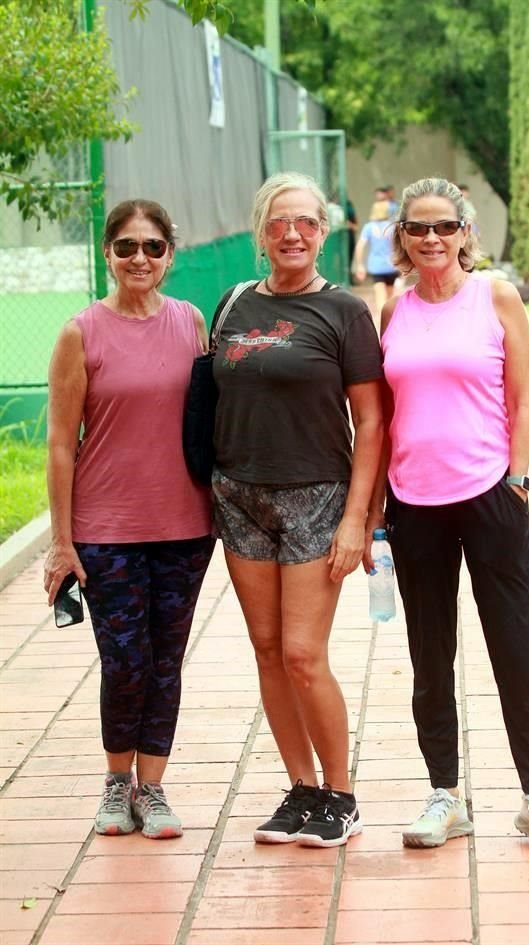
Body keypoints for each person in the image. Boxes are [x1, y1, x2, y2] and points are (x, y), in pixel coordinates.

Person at [364, 178, 529, 854]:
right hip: (414, 502)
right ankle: (444, 795)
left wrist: (516, 478)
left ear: (465, 232)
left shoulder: (497, 296)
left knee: (515, 645)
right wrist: (376, 503)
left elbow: (521, 395)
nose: (432, 238)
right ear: (401, 237)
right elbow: (383, 412)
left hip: (490, 495)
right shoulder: (393, 310)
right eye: (418, 228)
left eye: (444, 226)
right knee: (430, 654)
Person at [211, 171, 383, 847]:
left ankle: (341, 794)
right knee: (267, 649)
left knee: (305, 654)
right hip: (239, 496)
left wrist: (356, 517)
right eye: (279, 222)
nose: (292, 233)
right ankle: (301, 788)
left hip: (316, 497)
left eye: (307, 222)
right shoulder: (231, 305)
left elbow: (370, 422)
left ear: (324, 231)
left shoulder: (345, 312)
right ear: (261, 233)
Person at [44, 199, 215, 840]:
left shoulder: (192, 322)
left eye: (152, 247)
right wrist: (62, 542)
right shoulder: (80, 333)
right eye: (125, 247)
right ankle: (118, 784)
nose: (139, 258)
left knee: (166, 659)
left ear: (169, 255)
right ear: (107, 254)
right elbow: (62, 442)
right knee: (124, 662)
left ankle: (155, 788)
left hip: (185, 526)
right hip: (105, 529)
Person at [353, 199, 400, 314]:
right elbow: (401, 245)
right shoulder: (393, 227)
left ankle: (382, 325)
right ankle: (390, 323)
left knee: (380, 299)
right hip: (392, 266)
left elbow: (360, 246)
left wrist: (360, 265)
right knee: (390, 298)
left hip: (376, 267)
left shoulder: (368, 227)